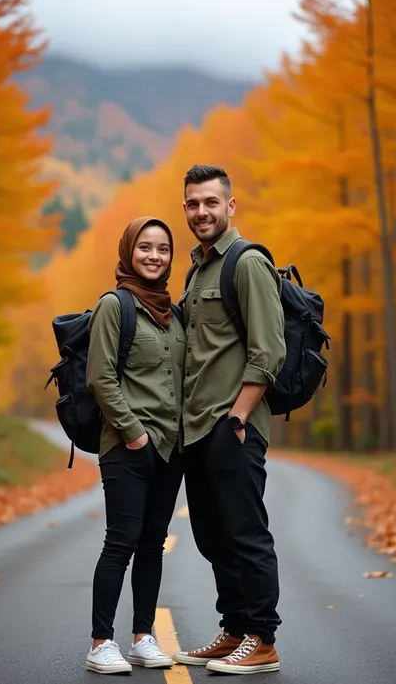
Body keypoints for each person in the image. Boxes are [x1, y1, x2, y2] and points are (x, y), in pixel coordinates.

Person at [173, 165, 286, 675]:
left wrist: (238, 418)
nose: (202, 212)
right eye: (193, 204)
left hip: (232, 426)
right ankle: (235, 630)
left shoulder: (247, 263)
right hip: (196, 428)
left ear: (230, 206)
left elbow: (269, 351)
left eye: (211, 203)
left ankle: (262, 640)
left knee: (246, 534)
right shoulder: (196, 271)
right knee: (212, 537)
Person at [85, 217, 185, 675]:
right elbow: (100, 377)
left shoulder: (175, 313)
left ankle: (143, 637)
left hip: (170, 448)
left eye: (163, 249)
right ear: (129, 252)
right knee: (120, 542)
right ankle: (100, 642)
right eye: (145, 247)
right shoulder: (116, 305)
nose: (154, 256)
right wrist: (133, 432)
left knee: (152, 545)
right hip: (126, 446)